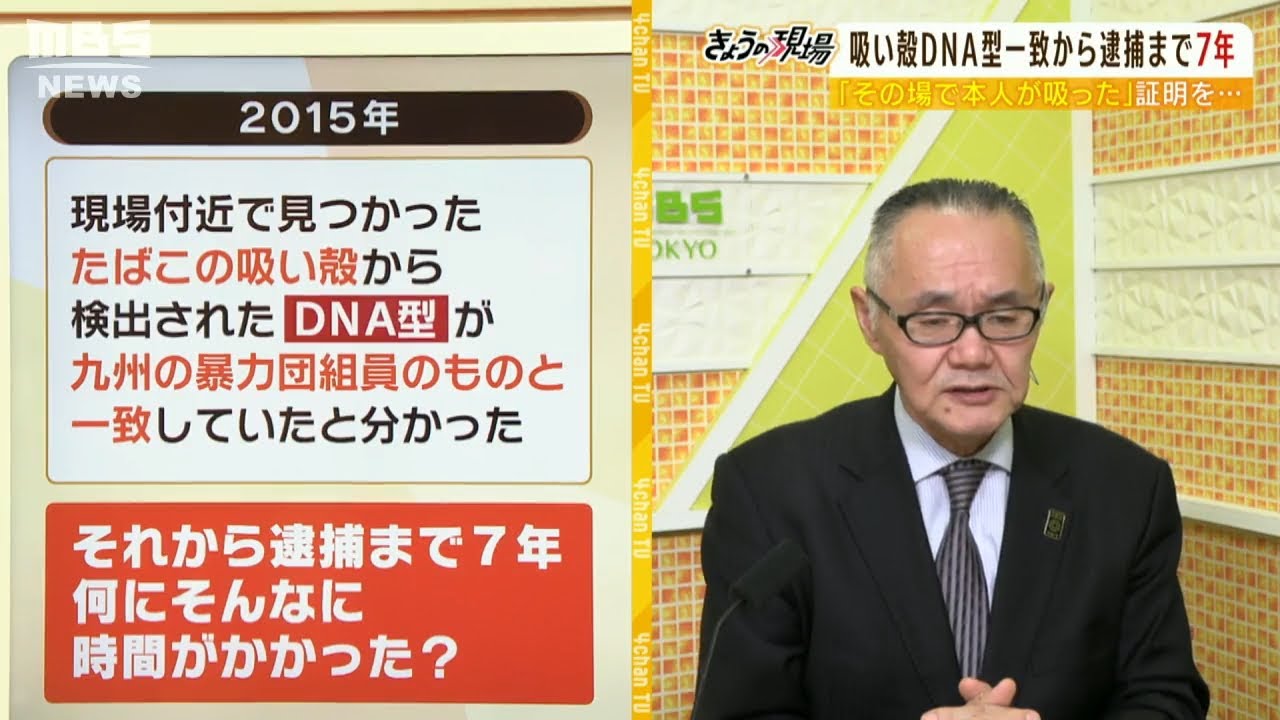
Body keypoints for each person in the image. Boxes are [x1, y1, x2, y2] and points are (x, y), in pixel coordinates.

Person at [693, 178, 1210, 720]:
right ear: (870, 320)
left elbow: (1166, 699)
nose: (972, 353)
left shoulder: (1126, 488)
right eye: (934, 321)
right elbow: (740, 712)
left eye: (1005, 318)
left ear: (1042, 307)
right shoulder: (771, 490)